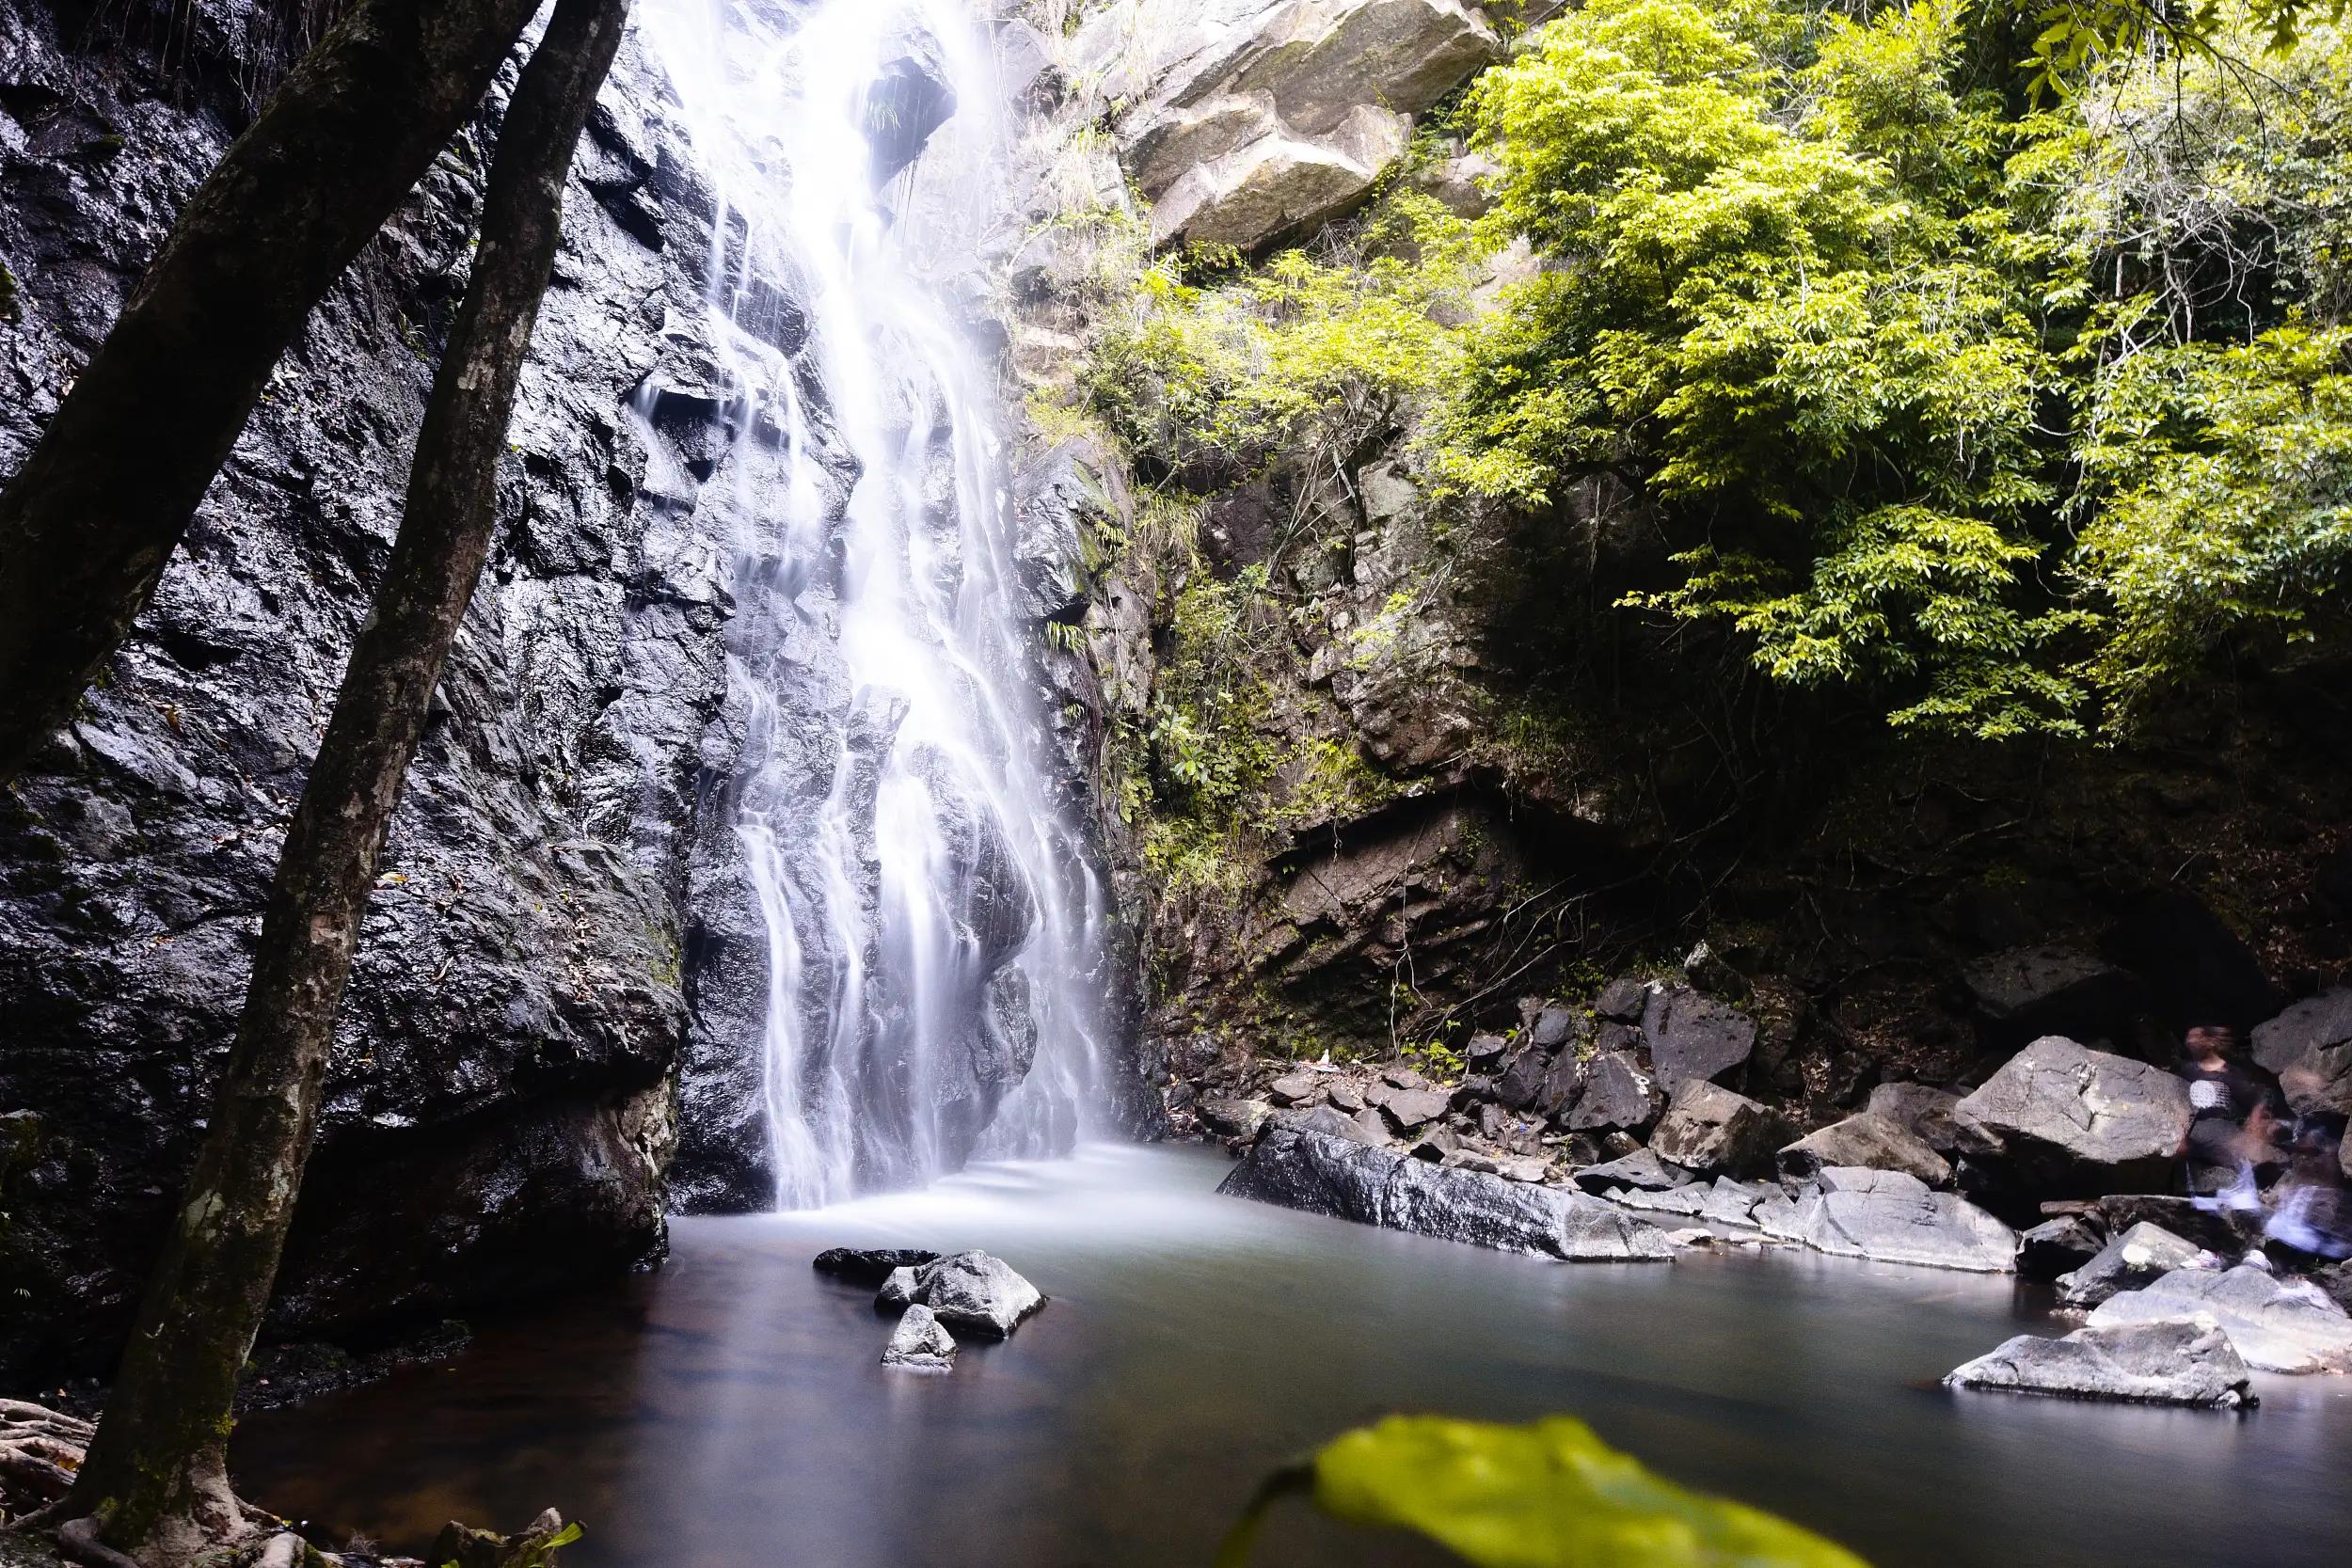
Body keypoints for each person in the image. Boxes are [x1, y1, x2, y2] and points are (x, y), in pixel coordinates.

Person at [2178, 1024, 2288, 1192]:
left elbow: (2258, 1095)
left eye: (2196, 1037)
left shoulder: (2231, 1074)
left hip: (2222, 1129)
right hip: (2193, 1127)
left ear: (2210, 1042)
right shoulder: (2187, 1072)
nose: (2189, 1041)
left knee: (2252, 1155)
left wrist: (2256, 1117)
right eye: (2189, 1037)